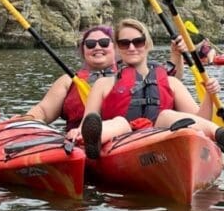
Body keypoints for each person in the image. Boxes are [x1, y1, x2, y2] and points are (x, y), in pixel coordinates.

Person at [79, 18, 224, 159]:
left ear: (148, 44)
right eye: (124, 43)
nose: (131, 48)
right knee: (120, 122)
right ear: (116, 48)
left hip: (162, 141)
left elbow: (200, 120)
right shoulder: (103, 84)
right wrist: (77, 133)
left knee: (167, 115)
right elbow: (87, 122)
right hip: (121, 142)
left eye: (138, 42)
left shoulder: (171, 82)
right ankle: (94, 141)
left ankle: (218, 133)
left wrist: (209, 95)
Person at [27, 25, 186, 131]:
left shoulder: (137, 72)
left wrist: (177, 55)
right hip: (82, 143)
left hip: (131, 135)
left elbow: (170, 82)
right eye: (90, 44)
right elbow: (44, 110)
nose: (97, 47)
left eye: (104, 43)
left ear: (115, 47)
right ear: (83, 50)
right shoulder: (68, 80)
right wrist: (27, 119)